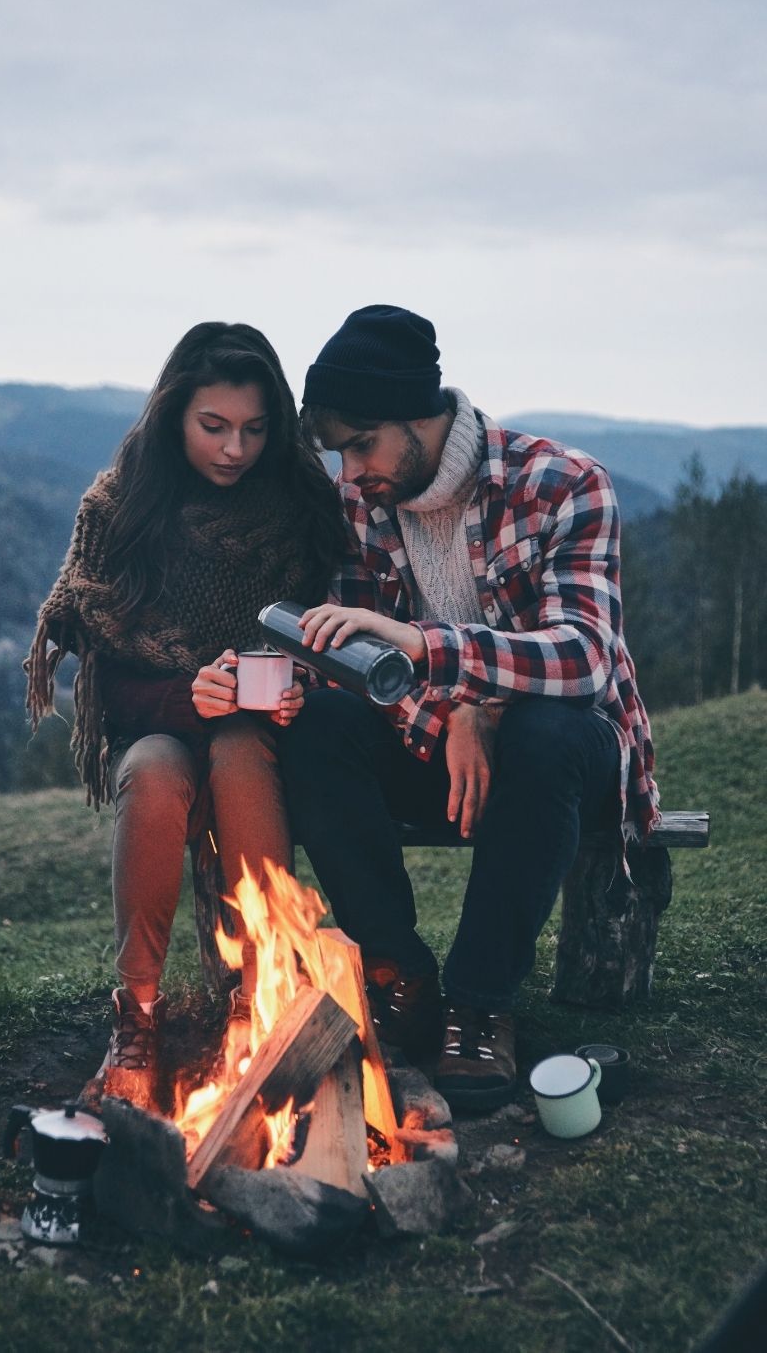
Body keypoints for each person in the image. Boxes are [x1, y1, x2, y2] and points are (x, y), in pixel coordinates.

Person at [277, 304, 659, 1111]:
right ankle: (398, 972)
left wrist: (434, 657)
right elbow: (355, 669)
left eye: (361, 445)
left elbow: (584, 660)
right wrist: (453, 714)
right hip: (431, 747)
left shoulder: (564, 484)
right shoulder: (361, 508)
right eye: (337, 452)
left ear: (422, 416)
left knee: (547, 733)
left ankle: (480, 1006)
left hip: (560, 759)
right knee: (317, 723)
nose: (350, 473)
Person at [26, 322, 343, 1111]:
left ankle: (258, 995)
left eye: (255, 429)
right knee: (153, 771)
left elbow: (333, 640)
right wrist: (185, 696)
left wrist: (298, 687)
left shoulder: (301, 510)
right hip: (161, 729)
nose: (235, 448)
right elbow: (109, 678)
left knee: (238, 748)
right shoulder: (121, 508)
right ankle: (136, 1014)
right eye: (214, 427)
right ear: (174, 415)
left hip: (261, 744)